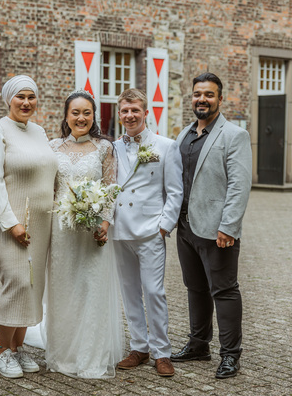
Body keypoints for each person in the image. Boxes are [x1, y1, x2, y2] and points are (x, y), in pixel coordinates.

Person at [171, 72, 252, 379]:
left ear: (220, 98)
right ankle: (198, 344)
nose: (201, 99)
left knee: (225, 291)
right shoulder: (185, 134)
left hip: (217, 230)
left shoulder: (234, 135)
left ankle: (230, 354)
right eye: (197, 94)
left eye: (208, 94)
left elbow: (239, 185)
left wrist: (229, 226)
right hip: (186, 227)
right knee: (195, 288)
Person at [0, 75, 58, 378]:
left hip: (41, 222)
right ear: (8, 99)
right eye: (20, 97)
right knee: (17, 281)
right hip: (9, 222)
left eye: (31, 97)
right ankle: (2, 351)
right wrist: (11, 223)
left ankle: (18, 347)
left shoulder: (39, 131)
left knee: (33, 284)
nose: (26, 102)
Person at [45, 89, 124, 378]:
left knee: (91, 289)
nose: (81, 118)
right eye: (75, 112)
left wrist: (105, 224)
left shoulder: (104, 148)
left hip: (93, 231)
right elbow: (49, 189)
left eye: (87, 113)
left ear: (94, 116)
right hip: (61, 230)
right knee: (63, 289)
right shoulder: (52, 147)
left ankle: (90, 355)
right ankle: (64, 353)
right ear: (66, 116)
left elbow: (111, 189)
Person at [111, 88, 183, 377]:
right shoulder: (112, 148)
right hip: (120, 230)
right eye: (125, 111)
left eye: (135, 110)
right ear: (119, 114)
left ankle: (162, 352)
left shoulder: (166, 146)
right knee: (129, 292)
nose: (130, 115)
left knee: (154, 292)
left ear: (145, 113)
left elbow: (175, 191)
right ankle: (139, 347)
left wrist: (164, 226)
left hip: (151, 230)